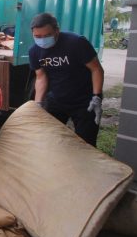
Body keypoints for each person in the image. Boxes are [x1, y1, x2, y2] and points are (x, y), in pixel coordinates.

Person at [29, 12, 104, 146]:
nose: (42, 40)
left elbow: (96, 69)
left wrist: (97, 97)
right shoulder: (34, 51)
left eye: (47, 35)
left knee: (86, 144)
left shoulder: (76, 43)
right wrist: (38, 104)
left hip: (84, 103)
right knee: (50, 141)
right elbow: (41, 77)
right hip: (56, 101)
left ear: (57, 30)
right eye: (37, 36)